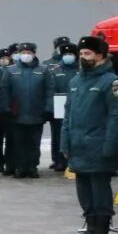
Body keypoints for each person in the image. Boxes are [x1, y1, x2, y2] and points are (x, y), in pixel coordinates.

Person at [62, 36, 118, 234]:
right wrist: (65, 142)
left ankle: (102, 231)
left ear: (100, 55)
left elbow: (117, 116)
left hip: (98, 145)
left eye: (88, 53)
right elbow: (68, 115)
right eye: (81, 54)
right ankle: (90, 228)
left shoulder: (111, 82)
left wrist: (110, 144)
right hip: (79, 146)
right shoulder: (75, 82)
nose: (83, 57)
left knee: (100, 190)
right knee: (83, 190)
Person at [4, 42, 50, 179]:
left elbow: (49, 90)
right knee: (18, 143)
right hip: (17, 114)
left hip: (37, 113)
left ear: (34, 54)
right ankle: (20, 167)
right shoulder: (11, 70)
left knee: (34, 144)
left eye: (28, 53)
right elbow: (4, 90)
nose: (26, 55)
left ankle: (32, 167)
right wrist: (6, 108)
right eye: (23, 53)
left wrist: (47, 108)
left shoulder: (43, 70)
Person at [44, 37, 75, 172]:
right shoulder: (54, 69)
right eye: (65, 53)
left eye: (70, 54)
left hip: (75, 108)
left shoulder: (80, 70)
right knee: (58, 135)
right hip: (59, 109)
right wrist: (51, 107)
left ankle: (72, 161)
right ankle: (59, 160)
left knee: (73, 136)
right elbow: (50, 89)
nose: (68, 56)